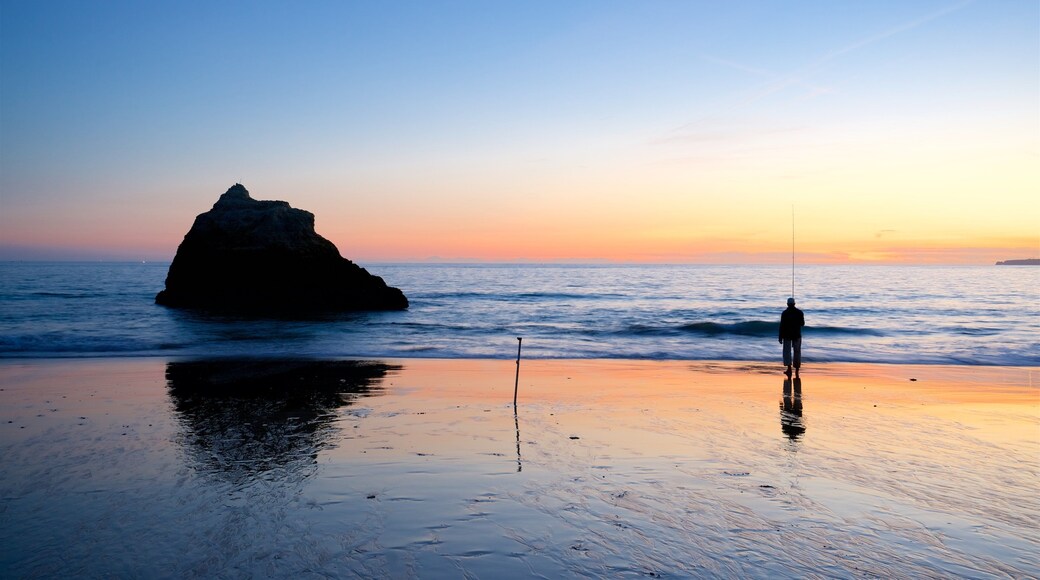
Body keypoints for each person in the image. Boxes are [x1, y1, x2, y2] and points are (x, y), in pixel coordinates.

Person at [778, 297, 804, 375]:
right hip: (797, 335)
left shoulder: (785, 313)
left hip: (787, 335)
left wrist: (780, 336)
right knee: (797, 352)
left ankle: (789, 369)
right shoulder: (799, 312)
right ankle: (797, 369)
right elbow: (802, 324)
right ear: (794, 304)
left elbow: (782, 326)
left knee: (787, 352)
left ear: (787, 304)